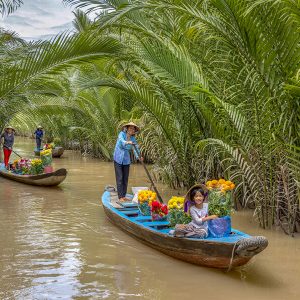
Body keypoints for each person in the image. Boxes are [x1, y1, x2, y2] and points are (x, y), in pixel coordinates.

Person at [113, 122, 144, 202]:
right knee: (120, 178)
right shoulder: (121, 134)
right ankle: (120, 197)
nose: (131, 130)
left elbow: (135, 148)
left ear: (134, 131)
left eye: (133, 129)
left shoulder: (133, 139)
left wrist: (139, 157)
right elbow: (121, 140)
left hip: (126, 159)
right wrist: (126, 142)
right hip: (118, 158)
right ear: (127, 129)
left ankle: (124, 195)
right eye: (130, 128)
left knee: (125, 178)